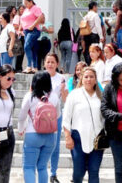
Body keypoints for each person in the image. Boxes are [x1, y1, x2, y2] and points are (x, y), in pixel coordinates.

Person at [63, 66, 105, 183]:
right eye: (86, 77)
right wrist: (67, 137)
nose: (89, 79)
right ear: (81, 78)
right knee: (78, 173)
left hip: (97, 140)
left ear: (96, 79)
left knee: (94, 172)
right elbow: (66, 118)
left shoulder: (101, 97)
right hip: (77, 139)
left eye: (91, 77)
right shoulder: (74, 95)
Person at [19, 71, 61, 183]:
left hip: (33, 134)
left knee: (29, 167)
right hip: (51, 136)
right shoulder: (54, 97)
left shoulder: (30, 97)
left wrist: (20, 128)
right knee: (42, 167)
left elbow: (22, 115)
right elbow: (58, 115)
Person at [44, 53, 69, 183]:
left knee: (55, 145)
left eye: (53, 62)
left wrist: (64, 90)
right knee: (43, 143)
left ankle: (53, 173)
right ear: (44, 63)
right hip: (41, 116)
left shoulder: (61, 78)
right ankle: (42, 170)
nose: (50, 64)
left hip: (56, 115)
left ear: (57, 64)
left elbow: (65, 99)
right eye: (48, 62)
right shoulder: (40, 76)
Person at [21, 0, 45, 74]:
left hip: (33, 30)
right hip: (26, 31)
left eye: (26, 3)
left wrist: (33, 25)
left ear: (31, 1)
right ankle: (35, 67)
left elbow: (41, 17)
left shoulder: (35, 8)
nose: (25, 5)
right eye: (24, 4)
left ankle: (29, 66)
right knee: (33, 49)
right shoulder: (26, 10)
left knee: (26, 46)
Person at [13, 6, 25, 71]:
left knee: (22, 52)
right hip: (19, 35)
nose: (22, 10)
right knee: (18, 52)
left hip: (24, 35)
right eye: (21, 9)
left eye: (23, 9)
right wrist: (23, 26)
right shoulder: (17, 17)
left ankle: (20, 66)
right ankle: (17, 67)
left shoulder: (25, 17)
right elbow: (15, 25)